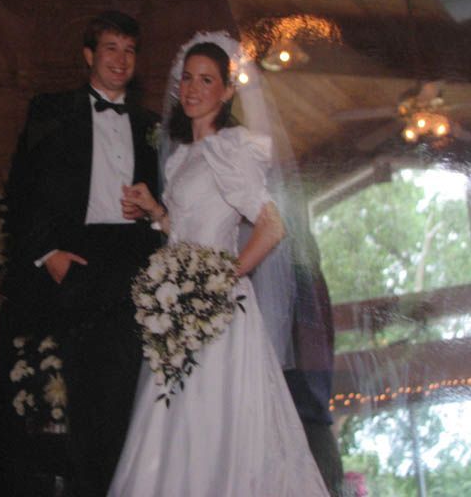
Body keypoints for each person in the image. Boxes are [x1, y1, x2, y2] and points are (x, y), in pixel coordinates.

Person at [109, 37, 329, 496]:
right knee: (177, 427)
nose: (192, 89)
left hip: (221, 314)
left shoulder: (233, 148)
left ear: (227, 91)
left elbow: (271, 226)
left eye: (206, 80)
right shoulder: (183, 156)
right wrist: (156, 211)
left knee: (219, 424)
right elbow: (187, 229)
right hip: (181, 311)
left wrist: (222, 279)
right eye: (187, 78)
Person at [0, 10, 161, 496]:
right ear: (89, 55)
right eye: (111, 48)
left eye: (129, 50)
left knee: (134, 396)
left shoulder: (151, 124)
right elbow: (21, 189)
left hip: (135, 263)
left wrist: (153, 215)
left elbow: (171, 200)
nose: (121, 59)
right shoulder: (51, 111)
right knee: (86, 397)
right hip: (78, 261)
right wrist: (48, 254)